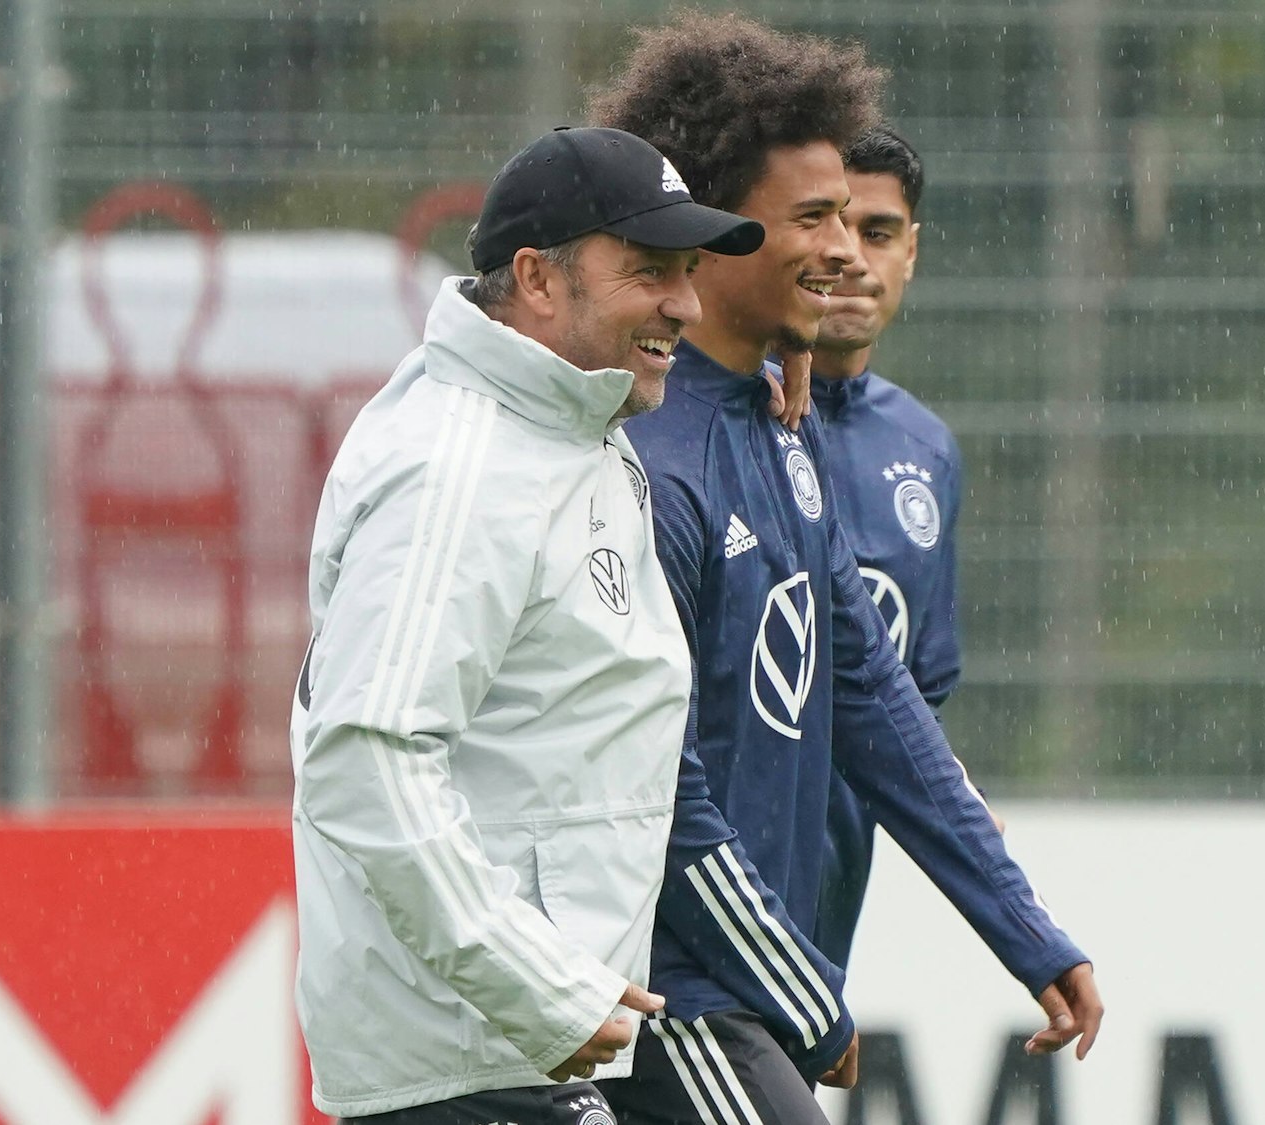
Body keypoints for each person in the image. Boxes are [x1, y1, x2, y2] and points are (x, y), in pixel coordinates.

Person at [590, 16, 1104, 1124]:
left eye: (861, 221)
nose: (843, 251)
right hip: (661, 995)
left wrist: (1025, 931)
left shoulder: (785, 431)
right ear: (717, 231)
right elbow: (658, 791)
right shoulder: (645, 464)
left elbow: (876, 694)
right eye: (813, 218)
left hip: (741, 987)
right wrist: (801, 995)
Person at [289, 125, 765, 1124]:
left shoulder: (568, 426)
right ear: (537, 279)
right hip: (471, 1059)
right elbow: (364, 758)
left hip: (517, 1050)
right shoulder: (460, 471)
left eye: (688, 272)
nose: (685, 303)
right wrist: (540, 987)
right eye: (649, 270)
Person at [806, 124, 994, 970]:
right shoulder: (702, 421)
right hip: (691, 920)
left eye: (877, 232)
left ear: (911, 251)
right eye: (826, 225)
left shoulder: (926, 449)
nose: (850, 256)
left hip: (826, 919)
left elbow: (911, 707)